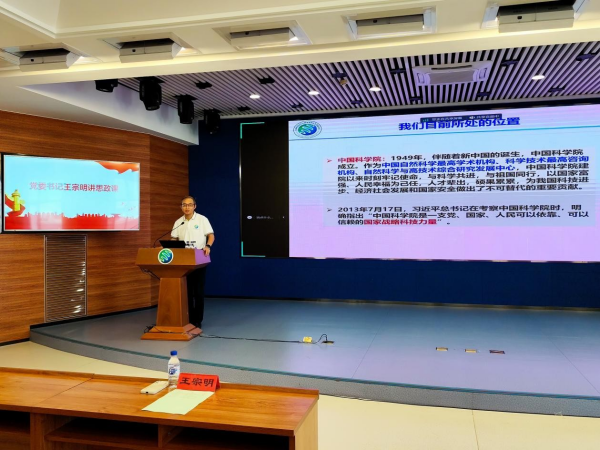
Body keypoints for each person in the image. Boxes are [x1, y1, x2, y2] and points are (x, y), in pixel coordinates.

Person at [171, 196, 214, 330]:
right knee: (187, 291)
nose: (187, 207)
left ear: (195, 206)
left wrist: (208, 246)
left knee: (198, 291)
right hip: (183, 259)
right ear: (181, 207)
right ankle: (189, 318)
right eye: (184, 205)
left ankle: (198, 320)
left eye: (190, 205)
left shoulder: (202, 219)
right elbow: (174, 239)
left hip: (199, 257)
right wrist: (168, 246)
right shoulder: (179, 222)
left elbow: (211, 235)